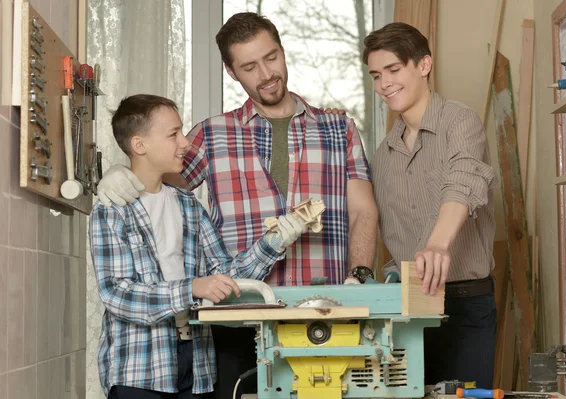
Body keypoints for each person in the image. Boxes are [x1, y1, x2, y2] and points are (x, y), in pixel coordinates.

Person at [96, 12, 379, 399]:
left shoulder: (337, 128)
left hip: (322, 315)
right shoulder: (211, 135)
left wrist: (359, 277)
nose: (266, 73)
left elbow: (364, 210)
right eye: (249, 66)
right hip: (238, 324)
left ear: (282, 51)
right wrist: (114, 172)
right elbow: (153, 177)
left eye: (271, 57)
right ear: (232, 72)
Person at [90, 94, 308, 399]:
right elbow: (117, 293)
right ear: (140, 145)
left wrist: (274, 241)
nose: (186, 143)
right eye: (173, 134)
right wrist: (192, 287)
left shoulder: (188, 206)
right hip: (139, 368)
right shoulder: (111, 209)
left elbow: (224, 273)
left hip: (197, 364)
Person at [362, 23, 498, 388]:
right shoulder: (382, 157)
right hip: (409, 310)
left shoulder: (460, 120)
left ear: (423, 65)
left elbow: (464, 180)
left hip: (466, 306)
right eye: (376, 75)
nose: (384, 84)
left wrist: (437, 244)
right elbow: (393, 235)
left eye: (393, 70)